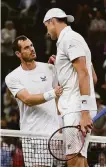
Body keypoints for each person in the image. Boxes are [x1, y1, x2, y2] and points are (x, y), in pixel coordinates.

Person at [43, 8, 97, 167]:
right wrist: (60, 65)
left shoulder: (69, 39)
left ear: (51, 22)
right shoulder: (70, 40)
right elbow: (93, 77)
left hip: (76, 109)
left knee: (74, 162)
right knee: (80, 160)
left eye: (46, 26)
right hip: (75, 109)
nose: (47, 32)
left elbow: (84, 74)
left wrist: (85, 112)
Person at [5, 35, 63, 167]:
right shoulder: (12, 77)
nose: (32, 49)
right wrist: (53, 93)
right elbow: (28, 99)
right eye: (26, 47)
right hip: (31, 134)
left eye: (31, 45)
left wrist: (61, 121)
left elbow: (57, 99)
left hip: (52, 132)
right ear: (18, 54)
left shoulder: (49, 68)